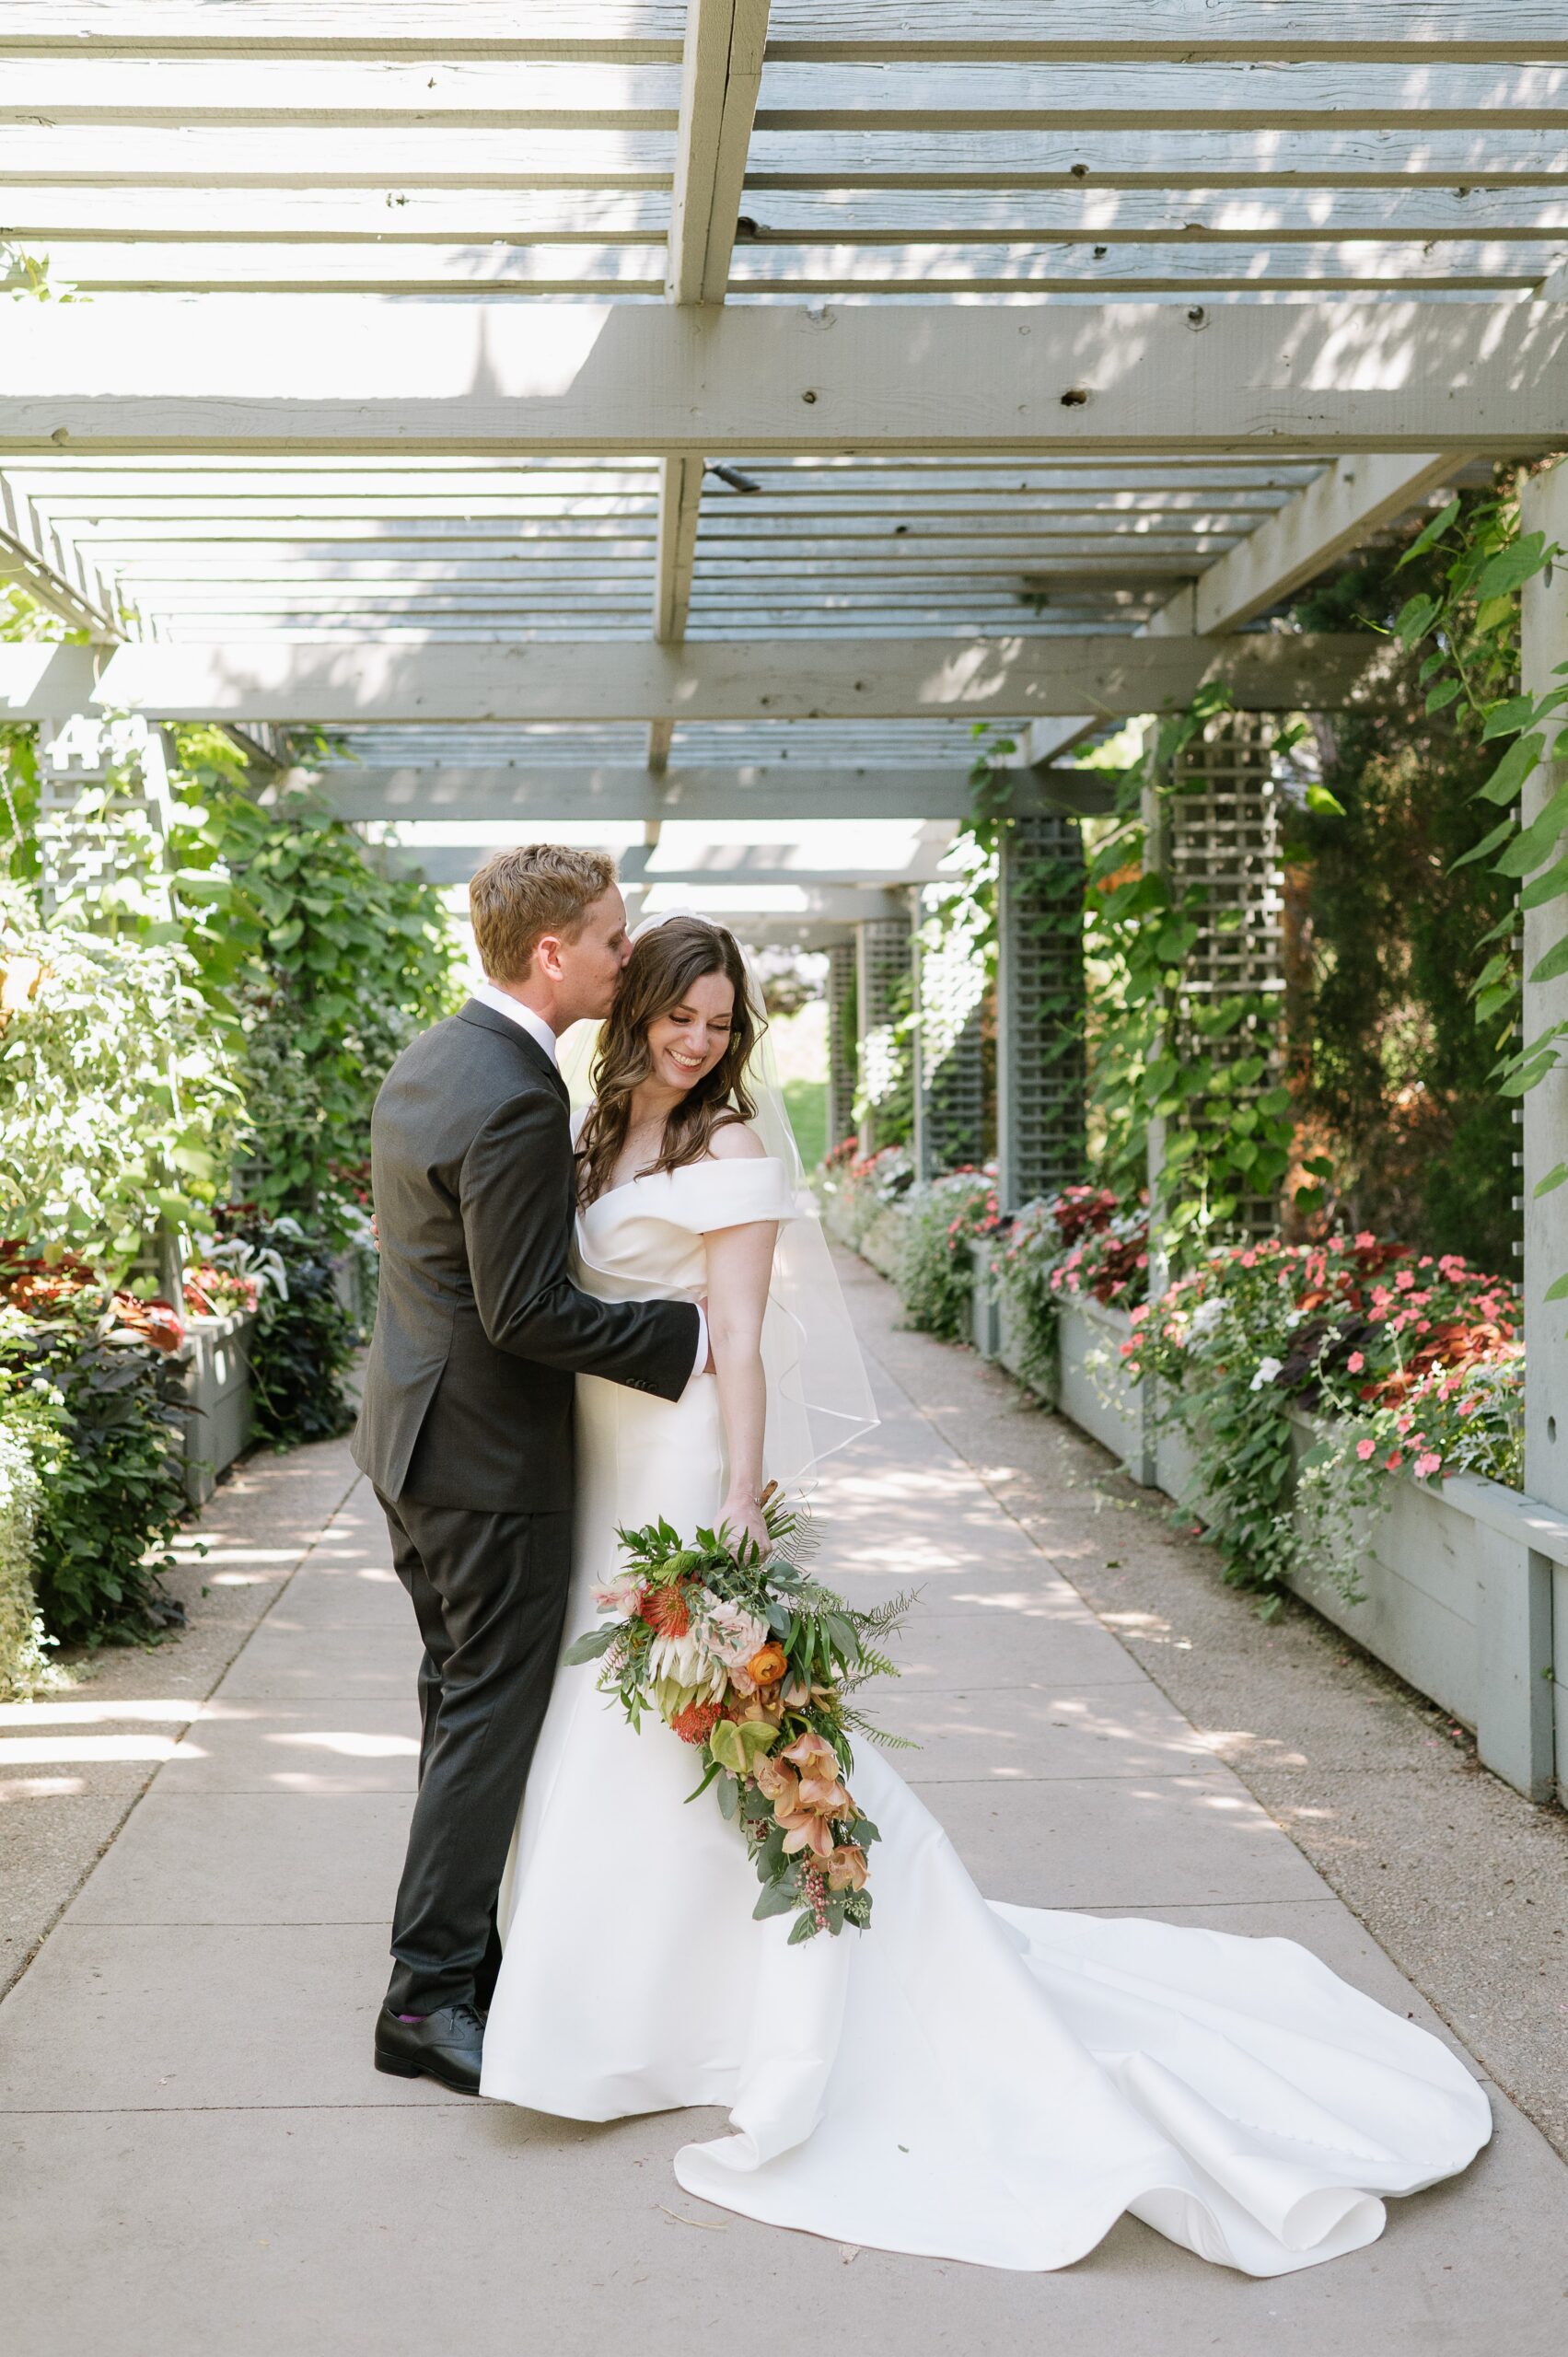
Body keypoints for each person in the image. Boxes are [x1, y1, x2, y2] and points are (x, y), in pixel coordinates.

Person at [478, 910, 1493, 2277]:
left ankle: (753, 2005)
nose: (700, 1038)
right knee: (612, 1732)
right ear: (637, 1001)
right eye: (680, 1012)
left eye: (721, 1022)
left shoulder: (726, 1148)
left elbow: (738, 1338)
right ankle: (635, 2003)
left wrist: (737, 1494)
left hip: (680, 1459)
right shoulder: (596, 1134)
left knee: (711, 1726)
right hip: (597, 1457)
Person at [353, 847, 704, 2097]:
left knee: (460, 1712)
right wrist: (679, 1336)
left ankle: (462, 1961)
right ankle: (428, 1998)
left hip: (413, 1443)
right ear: (552, 953)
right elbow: (526, 1313)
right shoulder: (513, 1094)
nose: (628, 956)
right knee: (486, 1724)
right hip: (488, 1463)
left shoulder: (434, 1058)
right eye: (613, 939)